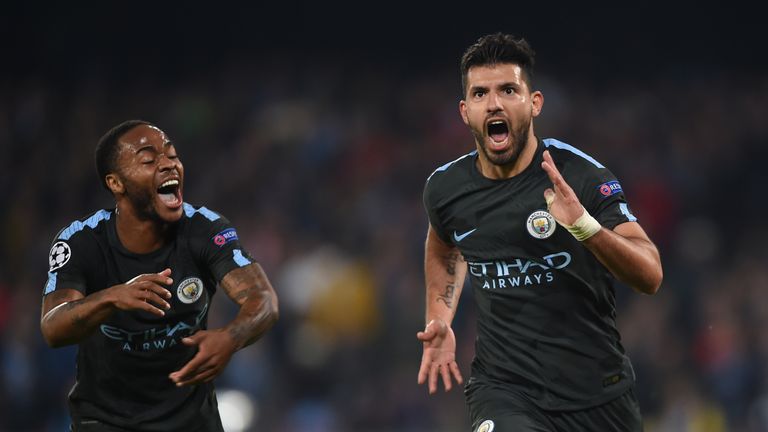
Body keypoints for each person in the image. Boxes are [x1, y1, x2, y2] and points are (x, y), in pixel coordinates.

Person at [416, 33, 663, 431]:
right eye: (480, 94)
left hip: (597, 393)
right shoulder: (445, 189)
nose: (493, 103)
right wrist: (440, 316)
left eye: (508, 90)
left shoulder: (579, 175)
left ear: (535, 103)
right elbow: (445, 243)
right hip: (504, 391)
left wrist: (585, 226)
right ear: (465, 111)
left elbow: (650, 275)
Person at [40, 120, 279, 431]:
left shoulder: (205, 230)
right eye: (149, 159)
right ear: (116, 183)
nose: (169, 164)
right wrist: (112, 297)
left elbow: (263, 299)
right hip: (105, 421)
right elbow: (53, 328)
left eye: (172, 155)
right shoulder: (81, 240)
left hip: (191, 422)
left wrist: (230, 337)